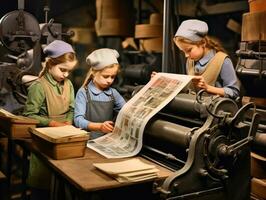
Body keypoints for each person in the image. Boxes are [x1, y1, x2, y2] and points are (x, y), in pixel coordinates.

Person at [23, 40, 77, 200]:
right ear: (50, 64)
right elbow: (28, 115)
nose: (66, 75)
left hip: (64, 136)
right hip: (43, 139)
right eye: (62, 70)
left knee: (63, 182)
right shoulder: (39, 86)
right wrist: (51, 123)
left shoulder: (69, 85)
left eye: (69, 71)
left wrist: (68, 120)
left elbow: (72, 109)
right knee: (43, 185)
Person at [173, 19, 240, 99]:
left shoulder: (222, 60)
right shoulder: (190, 61)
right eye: (183, 51)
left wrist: (208, 88)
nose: (186, 55)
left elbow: (234, 92)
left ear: (202, 43)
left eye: (189, 50)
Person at [74, 48, 126, 139]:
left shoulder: (113, 93)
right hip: (88, 139)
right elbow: (78, 120)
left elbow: (126, 109)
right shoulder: (84, 92)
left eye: (113, 77)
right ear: (94, 73)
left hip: (107, 139)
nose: (109, 80)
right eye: (105, 76)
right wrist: (100, 127)